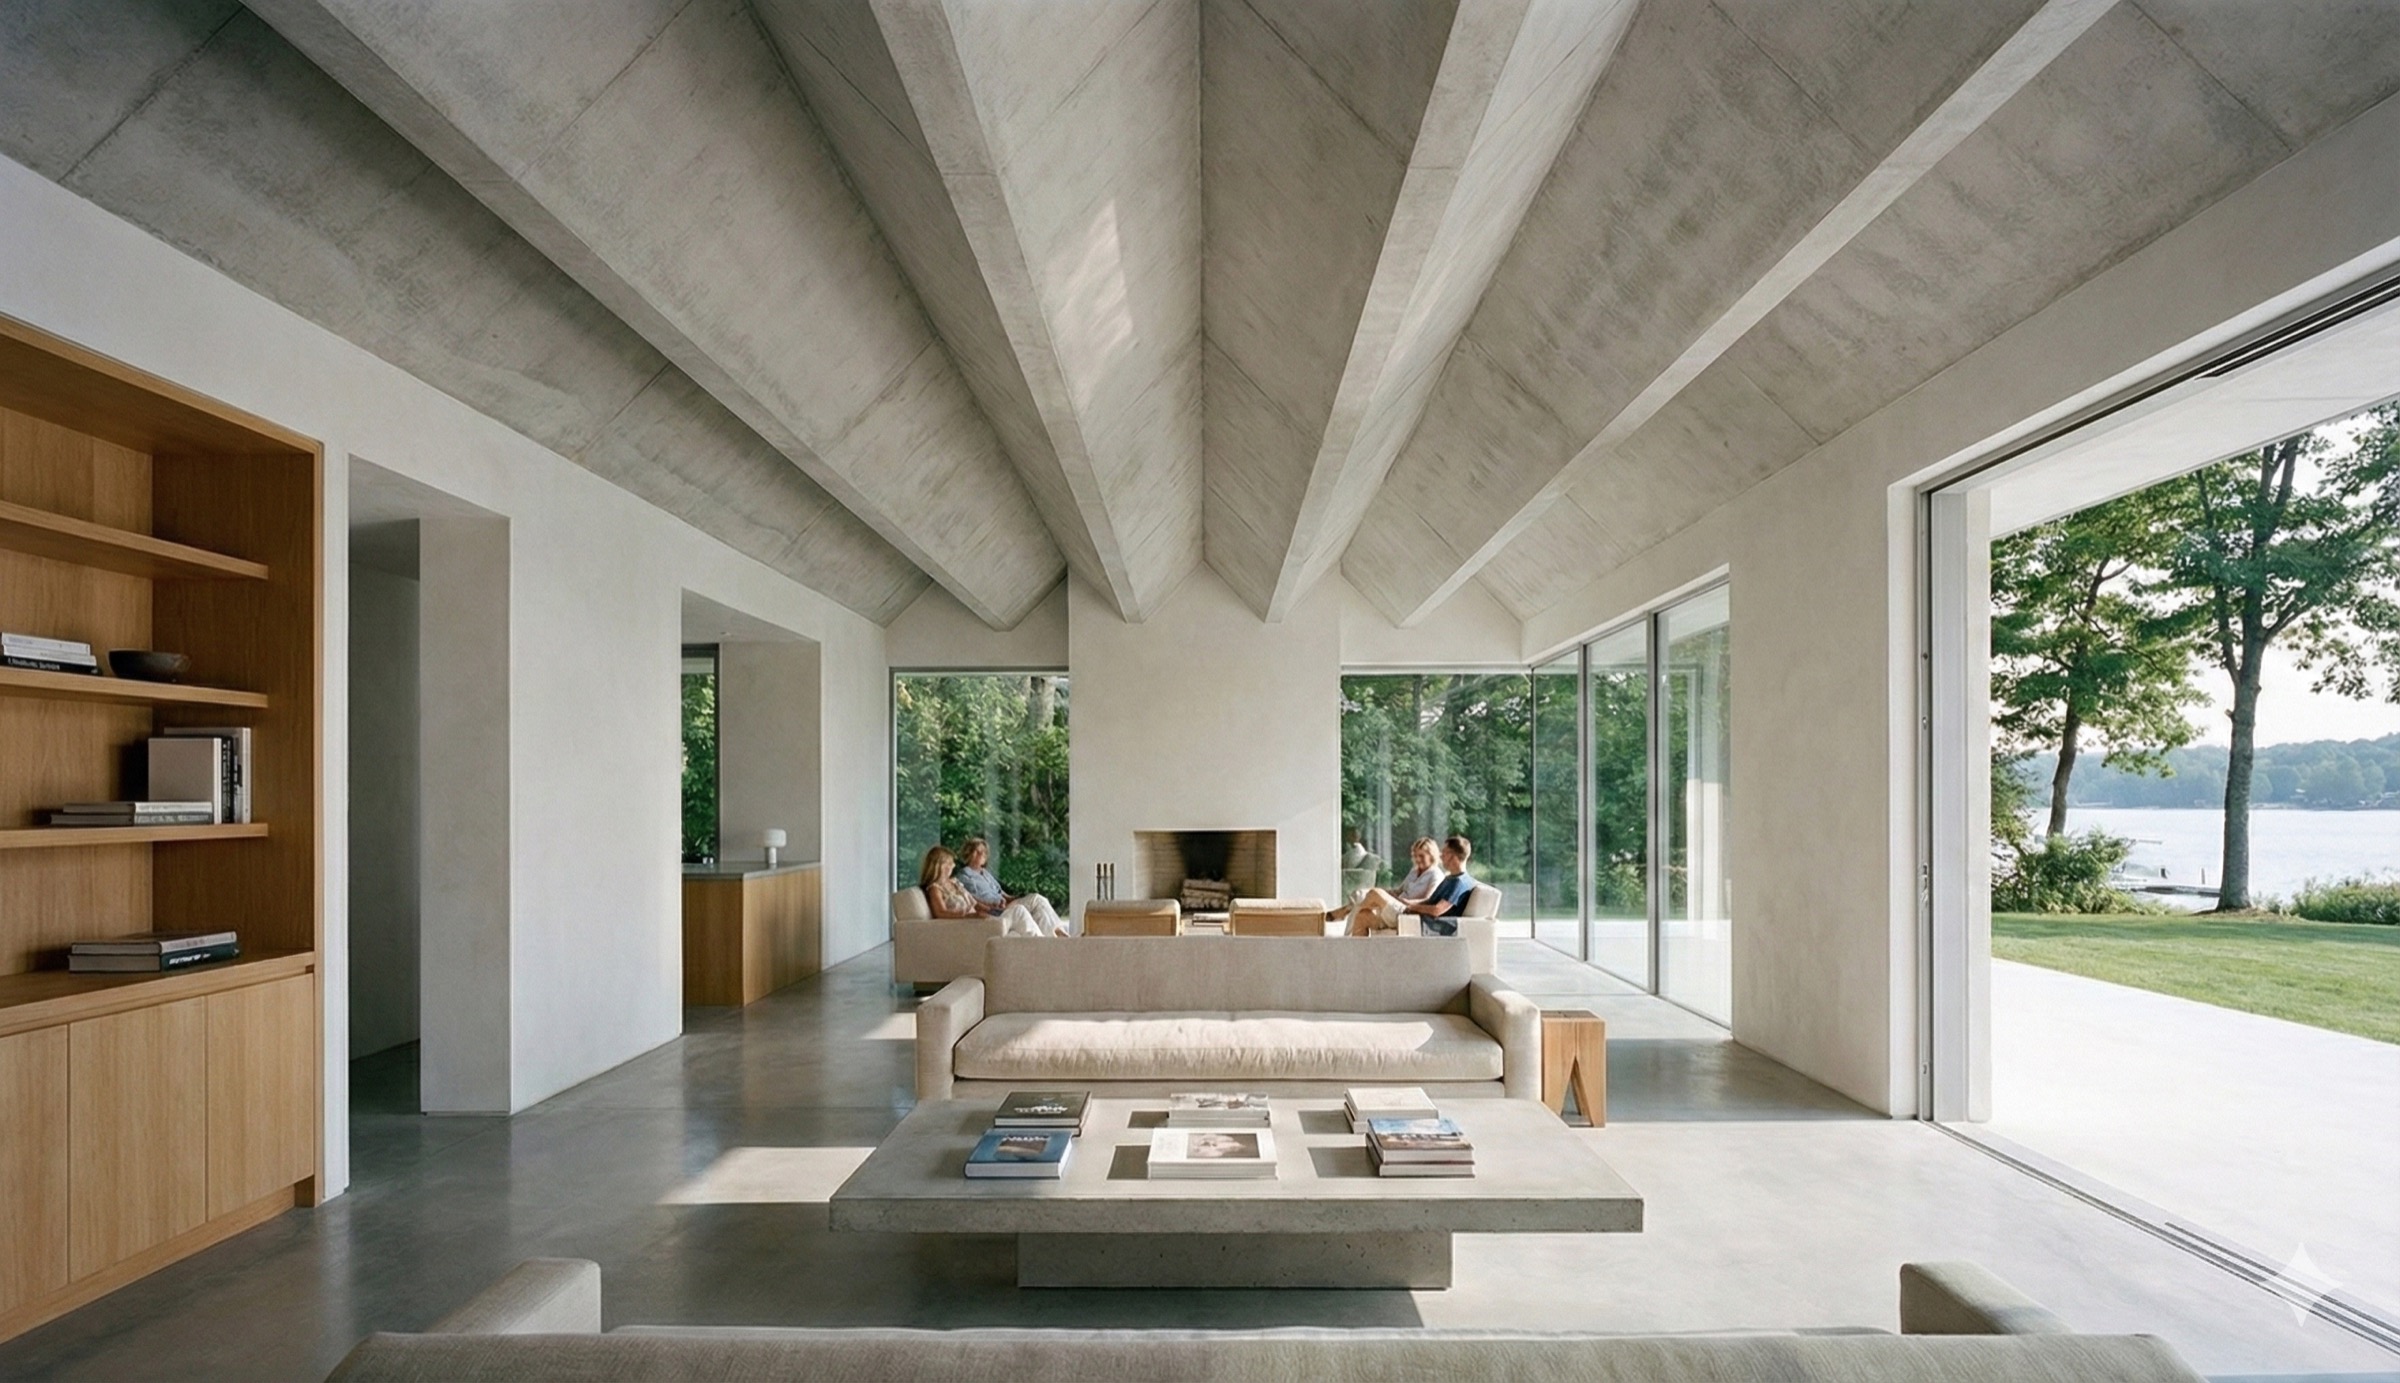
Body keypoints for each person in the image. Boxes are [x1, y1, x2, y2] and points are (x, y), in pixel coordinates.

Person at [1346, 835, 1479, 937]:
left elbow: (1437, 910)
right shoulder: (1451, 878)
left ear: (1452, 856)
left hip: (1417, 919)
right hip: (1411, 913)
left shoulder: (1459, 882)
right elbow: (1429, 900)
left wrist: (1409, 907)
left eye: (1444, 852)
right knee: (1363, 916)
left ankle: (1342, 927)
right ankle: (1356, 961)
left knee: (1375, 893)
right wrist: (1404, 902)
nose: (1441, 855)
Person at [919, 845, 1057, 938]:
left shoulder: (954, 882)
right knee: (1019, 911)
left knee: (1026, 910)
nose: (953, 866)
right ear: (939, 865)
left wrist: (991, 910)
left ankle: (1050, 943)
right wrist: (968, 916)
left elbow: (975, 903)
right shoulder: (935, 889)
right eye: (949, 863)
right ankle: (1045, 946)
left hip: (982, 919)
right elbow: (940, 913)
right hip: (972, 926)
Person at [956, 837, 1066, 936]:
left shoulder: (985, 873)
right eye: (977, 851)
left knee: (1039, 911)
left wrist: (1014, 898)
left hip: (1006, 905)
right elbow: (972, 899)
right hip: (995, 909)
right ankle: (1058, 933)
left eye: (984, 852)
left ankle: (1054, 938)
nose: (982, 854)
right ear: (968, 853)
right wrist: (992, 906)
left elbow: (1001, 892)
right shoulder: (964, 876)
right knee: (1037, 899)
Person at [1340, 837, 1444, 935]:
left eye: (1421, 856)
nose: (1417, 859)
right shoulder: (1414, 871)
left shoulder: (1435, 875)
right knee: (1362, 910)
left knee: (1374, 893)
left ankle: (1343, 915)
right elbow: (1399, 891)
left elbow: (1428, 900)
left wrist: (1406, 902)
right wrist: (1385, 893)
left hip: (1408, 911)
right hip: (1396, 906)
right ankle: (1354, 950)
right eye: (1415, 856)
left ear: (1431, 855)